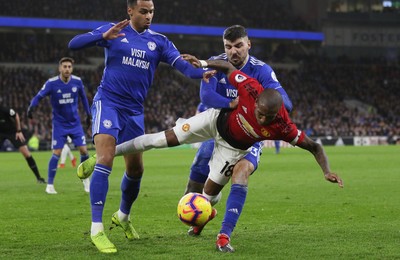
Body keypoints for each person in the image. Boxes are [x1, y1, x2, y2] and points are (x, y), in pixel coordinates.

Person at [78, 57, 344, 253]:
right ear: (257, 98)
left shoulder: (283, 127)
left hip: (232, 149)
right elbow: (228, 67)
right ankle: (102, 156)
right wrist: (204, 63)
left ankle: (206, 217)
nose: (261, 117)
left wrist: (326, 171)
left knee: (209, 196)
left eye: (266, 116)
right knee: (160, 139)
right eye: (259, 112)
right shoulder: (251, 87)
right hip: (214, 121)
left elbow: (315, 146)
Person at [68, 0, 204, 253]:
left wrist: (205, 70)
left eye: (151, 11)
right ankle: (96, 229)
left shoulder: (160, 42)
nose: (148, 16)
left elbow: (185, 67)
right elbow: (73, 44)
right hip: (108, 103)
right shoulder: (114, 30)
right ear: (130, 10)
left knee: (136, 169)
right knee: (106, 158)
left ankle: (123, 216)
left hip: (134, 112)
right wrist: (101, 36)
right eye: (143, 11)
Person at [184, 25, 292, 236]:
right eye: (228, 47)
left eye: (239, 46)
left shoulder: (261, 70)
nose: (233, 51)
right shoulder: (216, 62)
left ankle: (224, 233)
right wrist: (232, 104)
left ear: (248, 45)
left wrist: (256, 105)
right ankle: (195, 209)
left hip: (249, 135)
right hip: (218, 128)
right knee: (200, 165)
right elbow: (206, 97)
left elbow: (286, 103)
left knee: (238, 173)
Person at [27, 57, 91, 194]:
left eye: (69, 67)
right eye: (65, 66)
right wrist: (31, 107)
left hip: (75, 123)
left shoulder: (77, 81)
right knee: (56, 152)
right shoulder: (52, 83)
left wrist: (88, 114)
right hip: (59, 124)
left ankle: (86, 180)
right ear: (60, 68)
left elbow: (84, 99)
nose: (67, 69)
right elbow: (39, 96)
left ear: (72, 68)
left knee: (84, 151)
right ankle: (49, 185)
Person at [0, 106, 46, 184]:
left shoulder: (4, 109)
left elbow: (16, 115)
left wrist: (19, 131)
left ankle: (39, 178)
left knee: (26, 153)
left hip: (12, 132)